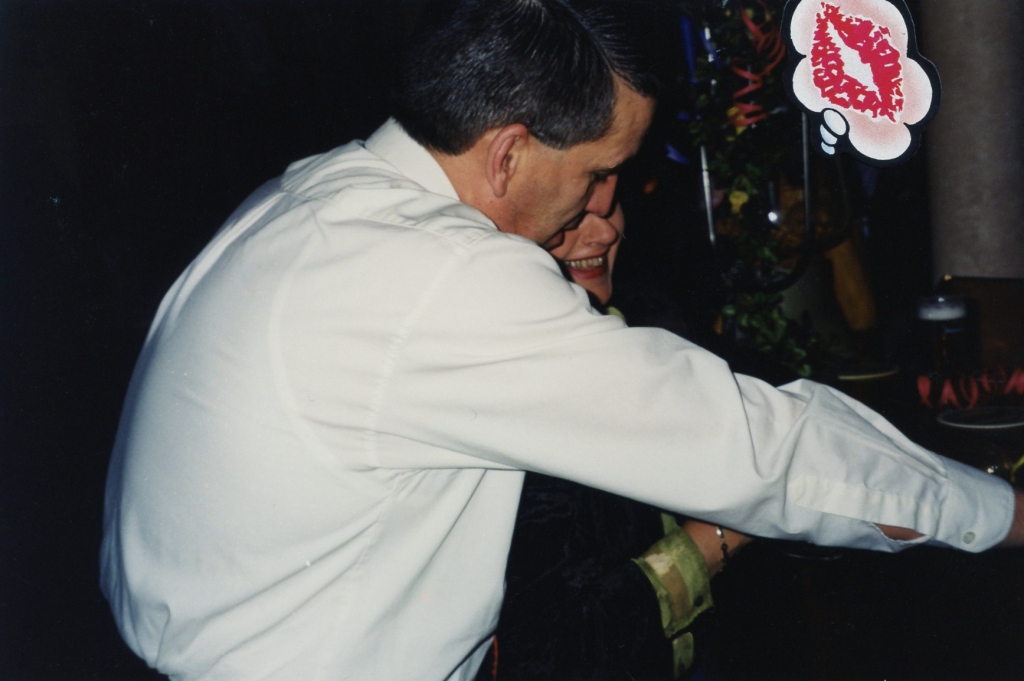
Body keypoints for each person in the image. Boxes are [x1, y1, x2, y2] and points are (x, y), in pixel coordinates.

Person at [100, 1, 1024, 680]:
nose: (601, 206)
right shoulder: (440, 273)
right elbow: (753, 447)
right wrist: (999, 512)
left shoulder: (307, 193)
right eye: (597, 173)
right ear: (507, 154)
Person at [489, 206, 750, 681]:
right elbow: (553, 647)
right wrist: (720, 536)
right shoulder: (508, 386)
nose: (605, 231)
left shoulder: (650, 312)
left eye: (610, 207)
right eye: (572, 214)